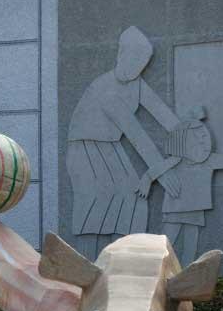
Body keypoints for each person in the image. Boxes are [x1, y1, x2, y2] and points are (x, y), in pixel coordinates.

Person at [67, 26, 181, 260]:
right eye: (135, 59)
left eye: (143, 62)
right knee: (96, 203)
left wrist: (188, 134)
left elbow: (163, 115)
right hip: (85, 149)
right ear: (121, 54)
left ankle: (123, 261)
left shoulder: (136, 83)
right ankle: (87, 264)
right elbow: (135, 133)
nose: (139, 66)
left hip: (110, 147)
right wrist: (161, 172)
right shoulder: (105, 88)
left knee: (134, 199)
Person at [138, 108, 223, 265]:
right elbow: (155, 171)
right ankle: (156, 268)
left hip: (196, 209)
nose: (204, 144)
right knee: (166, 241)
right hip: (175, 209)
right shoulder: (176, 160)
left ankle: (188, 272)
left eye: (204, 139)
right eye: (198, 141)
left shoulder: (210, 160)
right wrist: (145, 182)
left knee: (190, 245)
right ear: (182, 143)